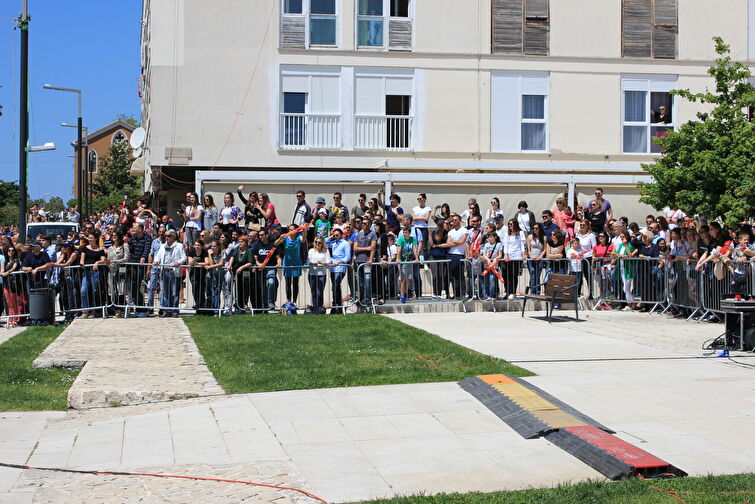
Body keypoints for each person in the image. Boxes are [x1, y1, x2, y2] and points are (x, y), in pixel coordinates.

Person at [153, 229, 187, 317]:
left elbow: (184, 257)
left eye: (168, 236)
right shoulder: (162, 246)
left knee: (174, 291)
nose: (166, 238)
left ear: (173, 237)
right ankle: (167, 310)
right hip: (165, 270)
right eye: (166, 236)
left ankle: (174, 310)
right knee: (165, 291)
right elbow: (158, 256)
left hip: (174, 271)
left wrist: (178, 262)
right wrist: (156, 261)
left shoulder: (179, 246)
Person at [275, 224, 306, 305]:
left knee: (295, 283)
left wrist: (305, 231)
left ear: (296, 231)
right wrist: (280, 238)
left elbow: (303, 240)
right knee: (288, 283)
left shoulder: (298, 237)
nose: (290, 231)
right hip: (287, 263)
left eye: (292, 229)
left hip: (296, 262)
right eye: (289, 230)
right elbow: (275, 244)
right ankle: (289, 301)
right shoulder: (285, 238)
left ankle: (294, 302)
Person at [78, 233, 106, 318]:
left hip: (95, 272)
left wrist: (97, 262)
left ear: (96, 239)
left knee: (94, 291)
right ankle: (85, 311)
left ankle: (94, 311)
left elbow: (103, 260)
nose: (90, 239)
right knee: (83, 290)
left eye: (91, 238)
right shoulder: (84, 248)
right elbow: (82, 259)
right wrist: (82, 263)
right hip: (86, 272)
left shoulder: (100, 249)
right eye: (89, 238)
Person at [325, 227, 351, 314]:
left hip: (340, 267)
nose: (335, 236)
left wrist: (339, 262)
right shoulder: (333, 243)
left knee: (336, 285)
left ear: (341, 235)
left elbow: (347, 257)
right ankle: (337, 305)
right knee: (334, 287)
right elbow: (324, 241)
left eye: (337, 235)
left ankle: (337, 305)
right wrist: (331, 236)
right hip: (333, 268)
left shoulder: (345, 244)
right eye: (334, 235)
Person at [255, 227, 281, 311]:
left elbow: (278, 256)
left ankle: (271, 302)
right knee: (262, 287)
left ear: (266, 235)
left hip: (271, 268)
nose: (260, 237)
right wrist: (259, 264)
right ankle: (264, 305)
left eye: (262, 235)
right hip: (261, 269)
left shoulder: (272, 244)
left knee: (271, 282)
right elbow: (255, 258)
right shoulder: (257, 245)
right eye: (259, 235)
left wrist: (279, 263)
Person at [352, 218, 377, 306]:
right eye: (362, 223)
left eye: (365, 223)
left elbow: (373, 248)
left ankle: (367, 299)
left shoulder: (373, 234)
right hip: (358, 261)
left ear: (369, 225)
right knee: (360, 282)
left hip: (367, 262)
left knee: (367, 280)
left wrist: (370, 259)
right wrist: (367, 248)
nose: (363, 225)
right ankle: (361, 299)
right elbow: (355, 248)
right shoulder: (358, 235)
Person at [55, 241, 80, 323]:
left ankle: (72, 314)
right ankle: (67, 314)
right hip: (65, 277)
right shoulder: (64, 254)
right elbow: (59, 261)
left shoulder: (74, 253)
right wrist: (57, 261)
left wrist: (53, 264)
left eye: (65, 247)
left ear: (70, 247)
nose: (64, 248)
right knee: (64, 296)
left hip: (73, 276)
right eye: (63, 247)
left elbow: (68, 263)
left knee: (71, 296)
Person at [1, 246, 26, 327]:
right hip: (6, 283)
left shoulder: (16, 260)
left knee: (14, 302)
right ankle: (10, 320)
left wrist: (8, 272)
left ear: (14, 252)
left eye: (12, 250)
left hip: (13, 284)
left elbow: (14, 267)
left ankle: (14, 320)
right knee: (8, 303)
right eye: (9, 250)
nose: (10, 252)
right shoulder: (6, 261)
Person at [107, 232, 130, 317]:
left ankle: (120, 309)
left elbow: (126, 258)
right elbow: (109, 259)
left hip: (122, 269)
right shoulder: (110, 248)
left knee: (121, 289)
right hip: (112, 270)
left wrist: (116, 261)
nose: (113, 237)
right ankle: (115, 308)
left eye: (115, 235)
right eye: (112, 236)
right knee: (112, 290)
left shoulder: (125, 246)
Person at [612, 230, 636, 311]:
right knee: (625, 288)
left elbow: (630, 255)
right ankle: (632, 304)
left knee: (626, 288)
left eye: (623, 236)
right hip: (621, 268)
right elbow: (618, 253)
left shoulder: (629, 244)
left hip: (628, 269)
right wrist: (615, 254)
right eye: (621, 237)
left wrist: (625, 246)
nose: (621, 238)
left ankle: (631, 303)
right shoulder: (621, 245)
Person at [502, 219, 526, 299]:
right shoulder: (507, 234)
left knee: (514, 275)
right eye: (509, 224)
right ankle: (508, 292)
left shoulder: (520, 233)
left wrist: (523, 254)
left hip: (517, 256)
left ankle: (513, 292)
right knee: (507, 275)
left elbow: (522, 244)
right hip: (509, 256)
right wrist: (505, 255)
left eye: (511, 224)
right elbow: (506, 245)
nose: (510, 226)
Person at [574, 221, 597, 298]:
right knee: (579, 276)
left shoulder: (591, 235)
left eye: (584, 225)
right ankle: (577, 294)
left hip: (588, 258)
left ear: (587, 226)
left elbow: (594, 247)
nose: (582, 226)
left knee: (588, 276)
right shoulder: (578, 235)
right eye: (581, 225)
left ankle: (591, 294)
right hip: (579, 258)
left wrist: (593, 259)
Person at [396, 226, 419, 304]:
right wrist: (398, 258)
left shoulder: (413, 239)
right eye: (404, 233)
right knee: (403, 279)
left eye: (406, 233)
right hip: (402, 261)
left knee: (408, 278)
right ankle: (402, 295)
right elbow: (399, 248)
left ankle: (406, 293)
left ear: (409, 233)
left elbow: (414, 248)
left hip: (409, 261)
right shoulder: (401, 239)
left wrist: (416, 258)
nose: (405, 234)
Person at [204, 238, 226, 314]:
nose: (212, 248)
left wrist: (210, 267)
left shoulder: (223, 252)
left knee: (217, 291)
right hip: (212, 275)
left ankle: (217, 309)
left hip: (220, 275)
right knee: (212, 292)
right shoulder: (211, 253)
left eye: (214, 246)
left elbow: (221, 263)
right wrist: (210, 255)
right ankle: (213, 309)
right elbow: (211, 264)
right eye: (211, 246)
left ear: (218, 247)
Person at [429, 218, 450, 298]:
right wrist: (430, 234)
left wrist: (437, 245)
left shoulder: (446, 233)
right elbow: (431, 244)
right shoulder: (434, 232)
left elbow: (446, 244)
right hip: (433, 256)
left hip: (442, 256)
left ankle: (440, 292)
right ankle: (435, 293)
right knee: (434, 275)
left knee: (441, 275)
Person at [187, 239, 209, 311]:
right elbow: (190, 262)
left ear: (202, 246)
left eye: (198, 245)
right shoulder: (191, 252)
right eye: (195, 245)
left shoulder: (204, 252)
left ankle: (201, 304)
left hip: (203, 273)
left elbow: (207, 262)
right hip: (194, 273)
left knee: (202, 288)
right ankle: (197, 303)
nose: (196, 246)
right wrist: (193, 260)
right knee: (194, 286)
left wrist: (197, 264)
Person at [480, 232, 502, 300]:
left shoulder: (498, 244)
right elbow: (484, 254)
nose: (489, 239)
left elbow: (500, 255)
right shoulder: (486, 245)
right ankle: (486, 295)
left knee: (492, 280)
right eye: (488, 237)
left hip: (494, 265)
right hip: (487, 265)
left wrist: (495, 258)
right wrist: (487, 259)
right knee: (486, 281)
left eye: (490, 237)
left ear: (495, 237)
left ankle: (492, 295)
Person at [526, 223, 547, 294]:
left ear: (540, 229)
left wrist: (541, 256)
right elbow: (528, 249)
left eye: (537, 228)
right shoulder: (530, 237)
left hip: (539, 259)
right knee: (532, 274)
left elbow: (545, 249)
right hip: (531, 259)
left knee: (537, 275)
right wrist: (531, 255)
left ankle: (538, 291)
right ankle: (532, 292)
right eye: (534, 228)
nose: (535, 229)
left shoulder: (543, 238)